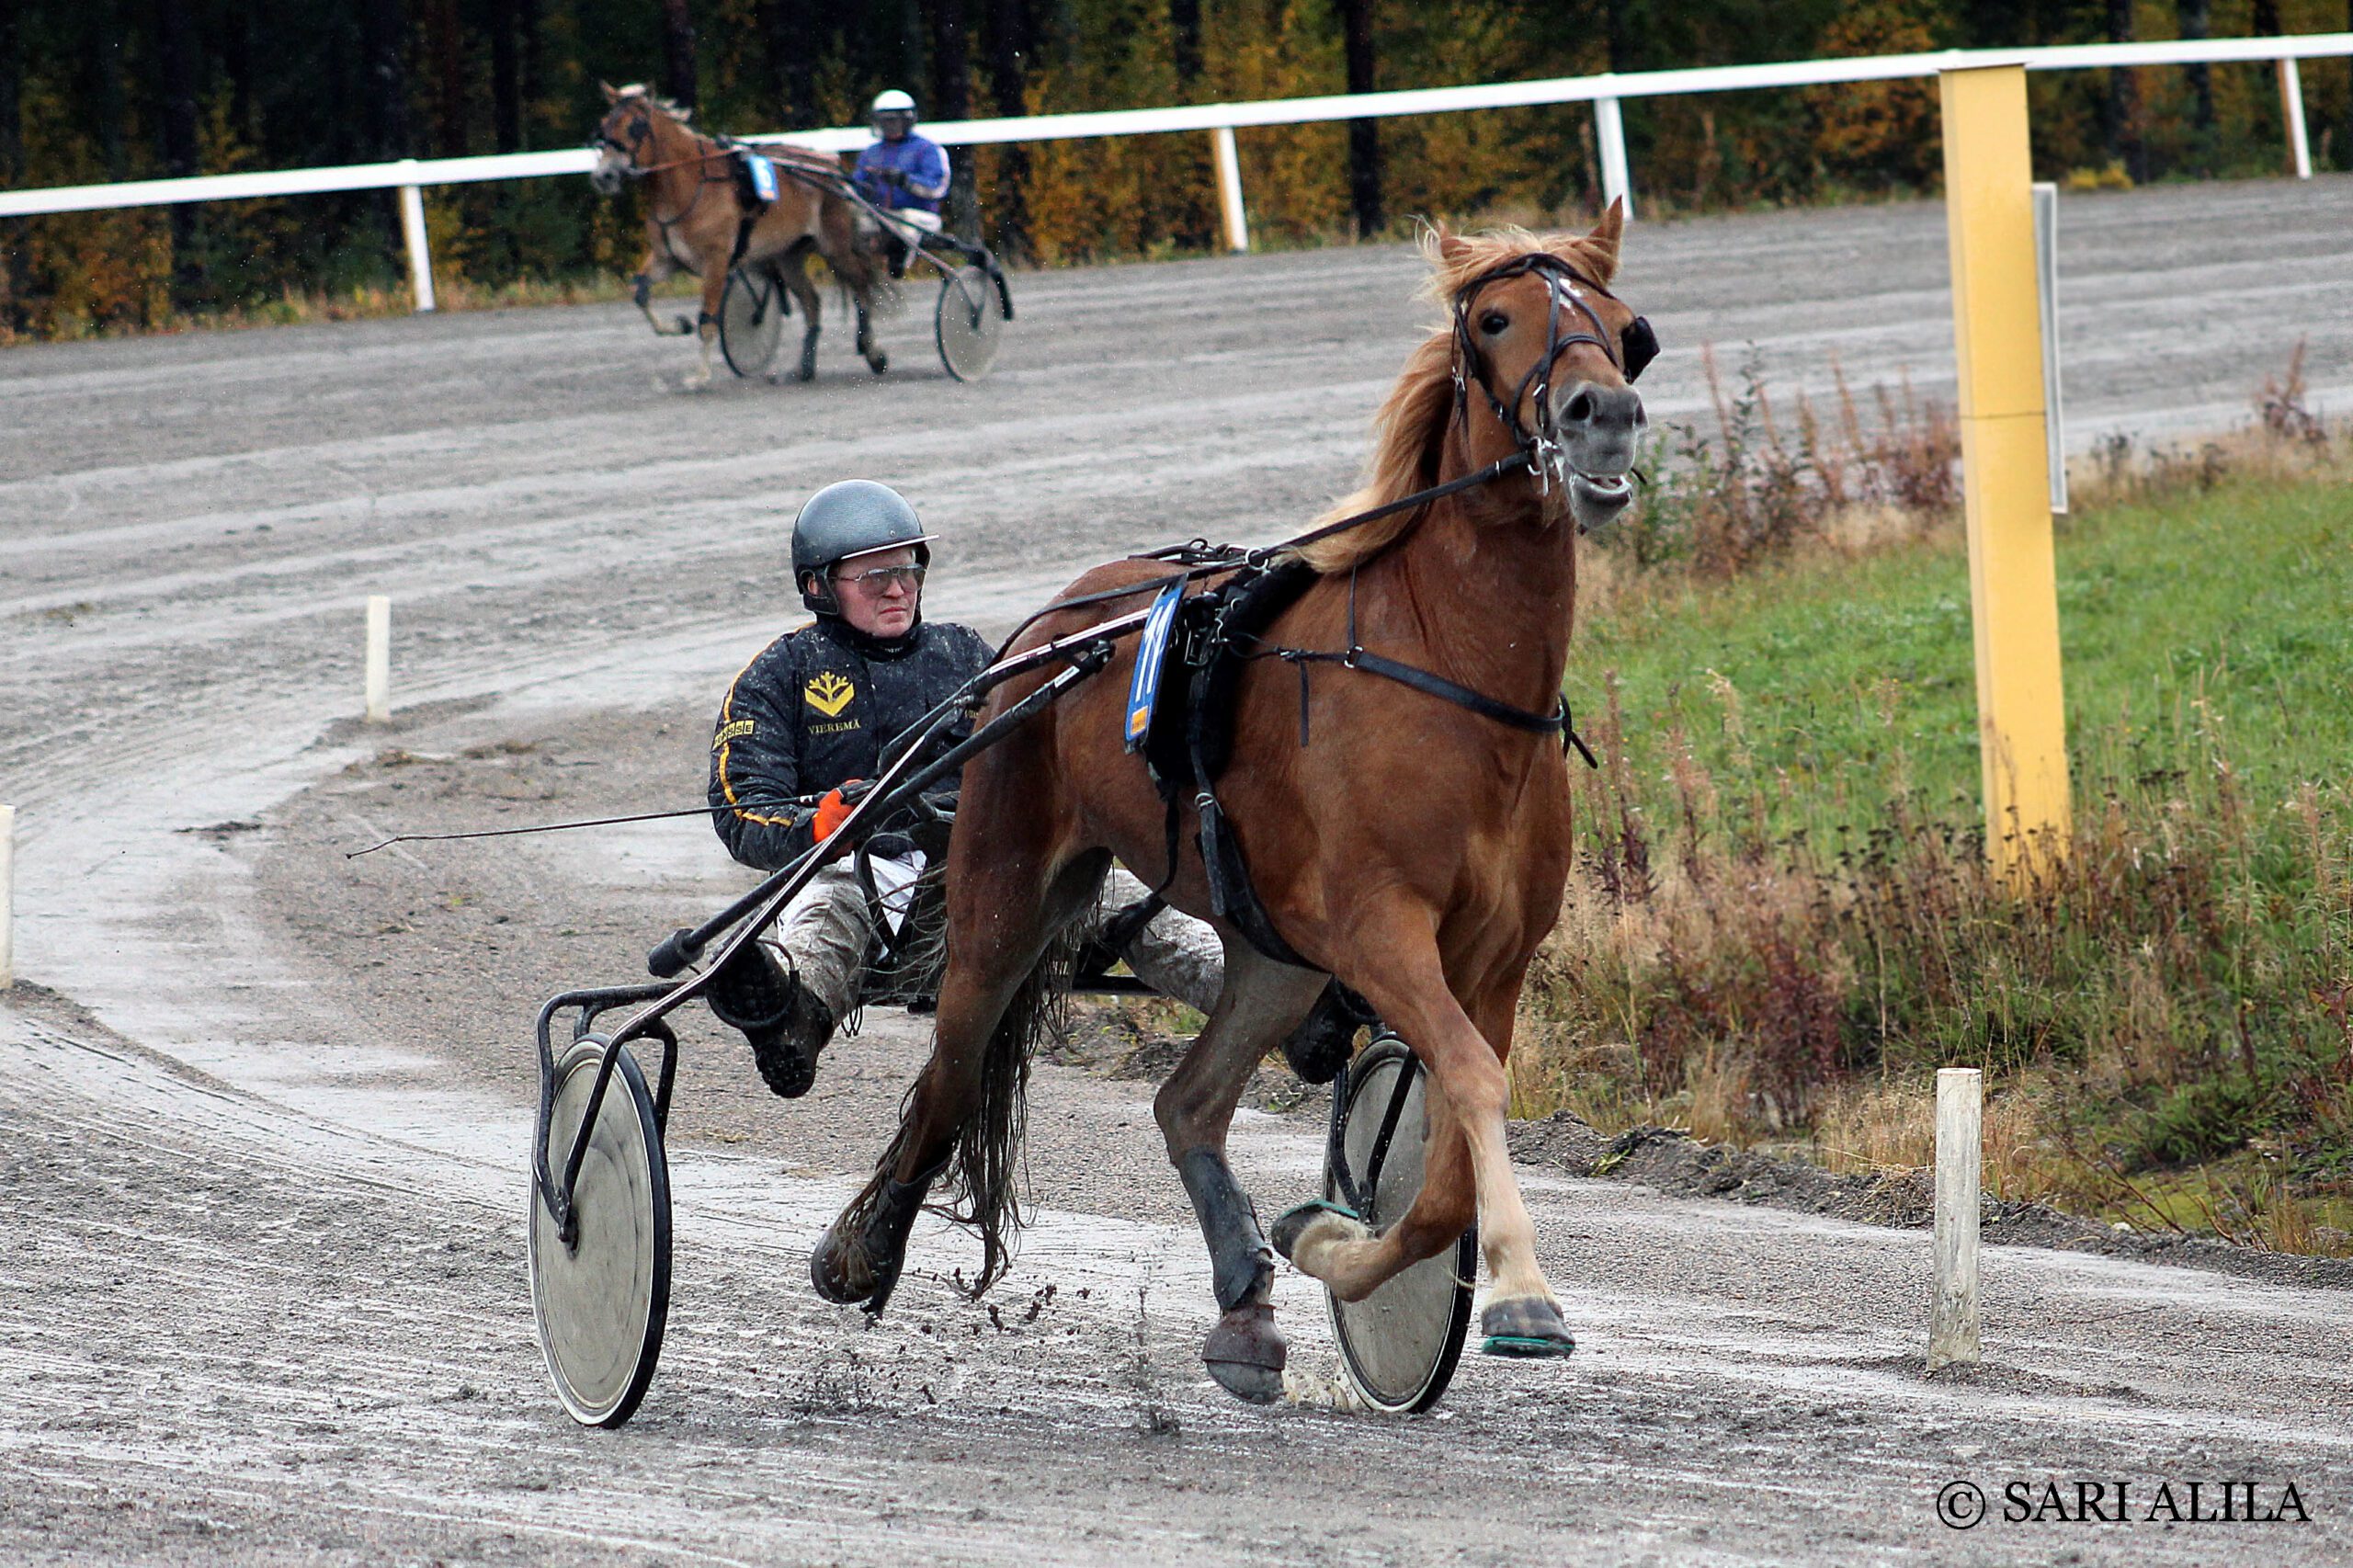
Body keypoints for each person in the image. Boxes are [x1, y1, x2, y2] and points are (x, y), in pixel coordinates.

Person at [705, 480, 1229, 1099]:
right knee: (830, 903)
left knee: (1138, 901)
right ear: (819, 586)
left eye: (907, 570)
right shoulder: (778, 676)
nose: (898, 589)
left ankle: (1262, 1003)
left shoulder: (966, 655)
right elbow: (741, 811)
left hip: (996, 872)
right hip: (863, 876)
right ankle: (791, 1017)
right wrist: (820, 825)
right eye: (874, 577)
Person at [850, 89, 949, 278]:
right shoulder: (871, 153)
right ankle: (863, 270)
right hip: (882, 215)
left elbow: (938, 187)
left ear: (908, 121)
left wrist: (904, 180)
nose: (888, 126)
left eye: (893, 121)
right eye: (884, 121)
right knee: (854, 220)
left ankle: (897, 270)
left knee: (906, 221)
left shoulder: (926, 149)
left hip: (921, 217)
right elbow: (858, 188)